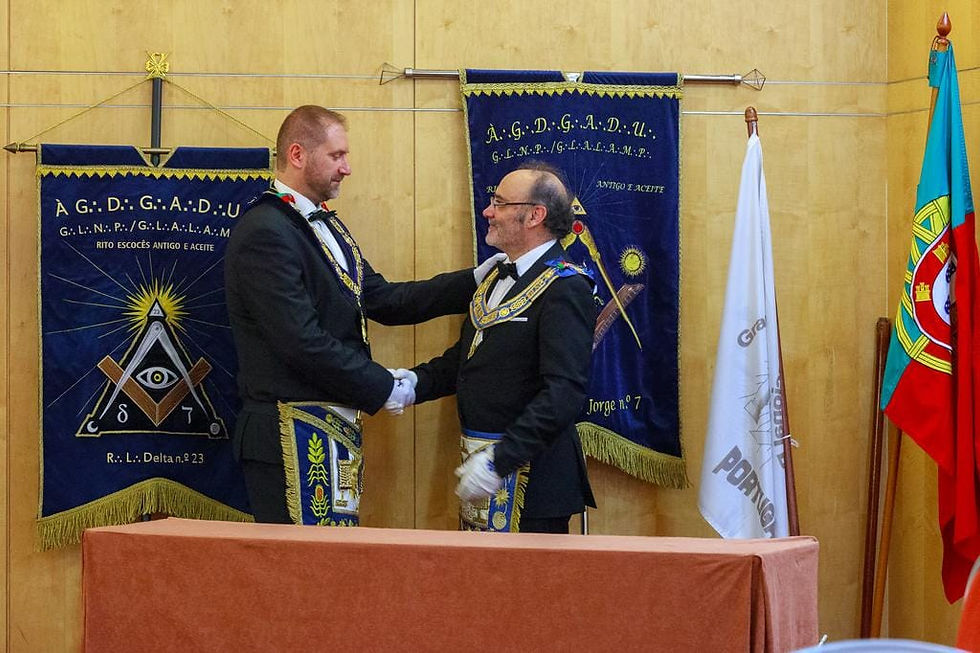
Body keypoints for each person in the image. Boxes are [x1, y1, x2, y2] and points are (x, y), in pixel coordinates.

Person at [224, 105, 503, 524]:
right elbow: (300, 341)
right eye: (336, 156)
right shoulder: (266, 230)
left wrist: (473, 281)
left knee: (333, 558)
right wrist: (381, 385)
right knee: (301, 562)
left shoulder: (327, 226)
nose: (347, 168)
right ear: (297, 155)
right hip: (286, 432)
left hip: (329, 429)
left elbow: (384, 299)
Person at [396, 161, 597, 534]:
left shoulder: (566, 287)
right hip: (480, 462)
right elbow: (467, 360)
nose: (488, 211)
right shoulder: (494, 276)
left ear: (535, 215)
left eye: (500, 203)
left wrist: (500, 460)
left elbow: (563, 393)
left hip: (533, 482)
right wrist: (413, 383)